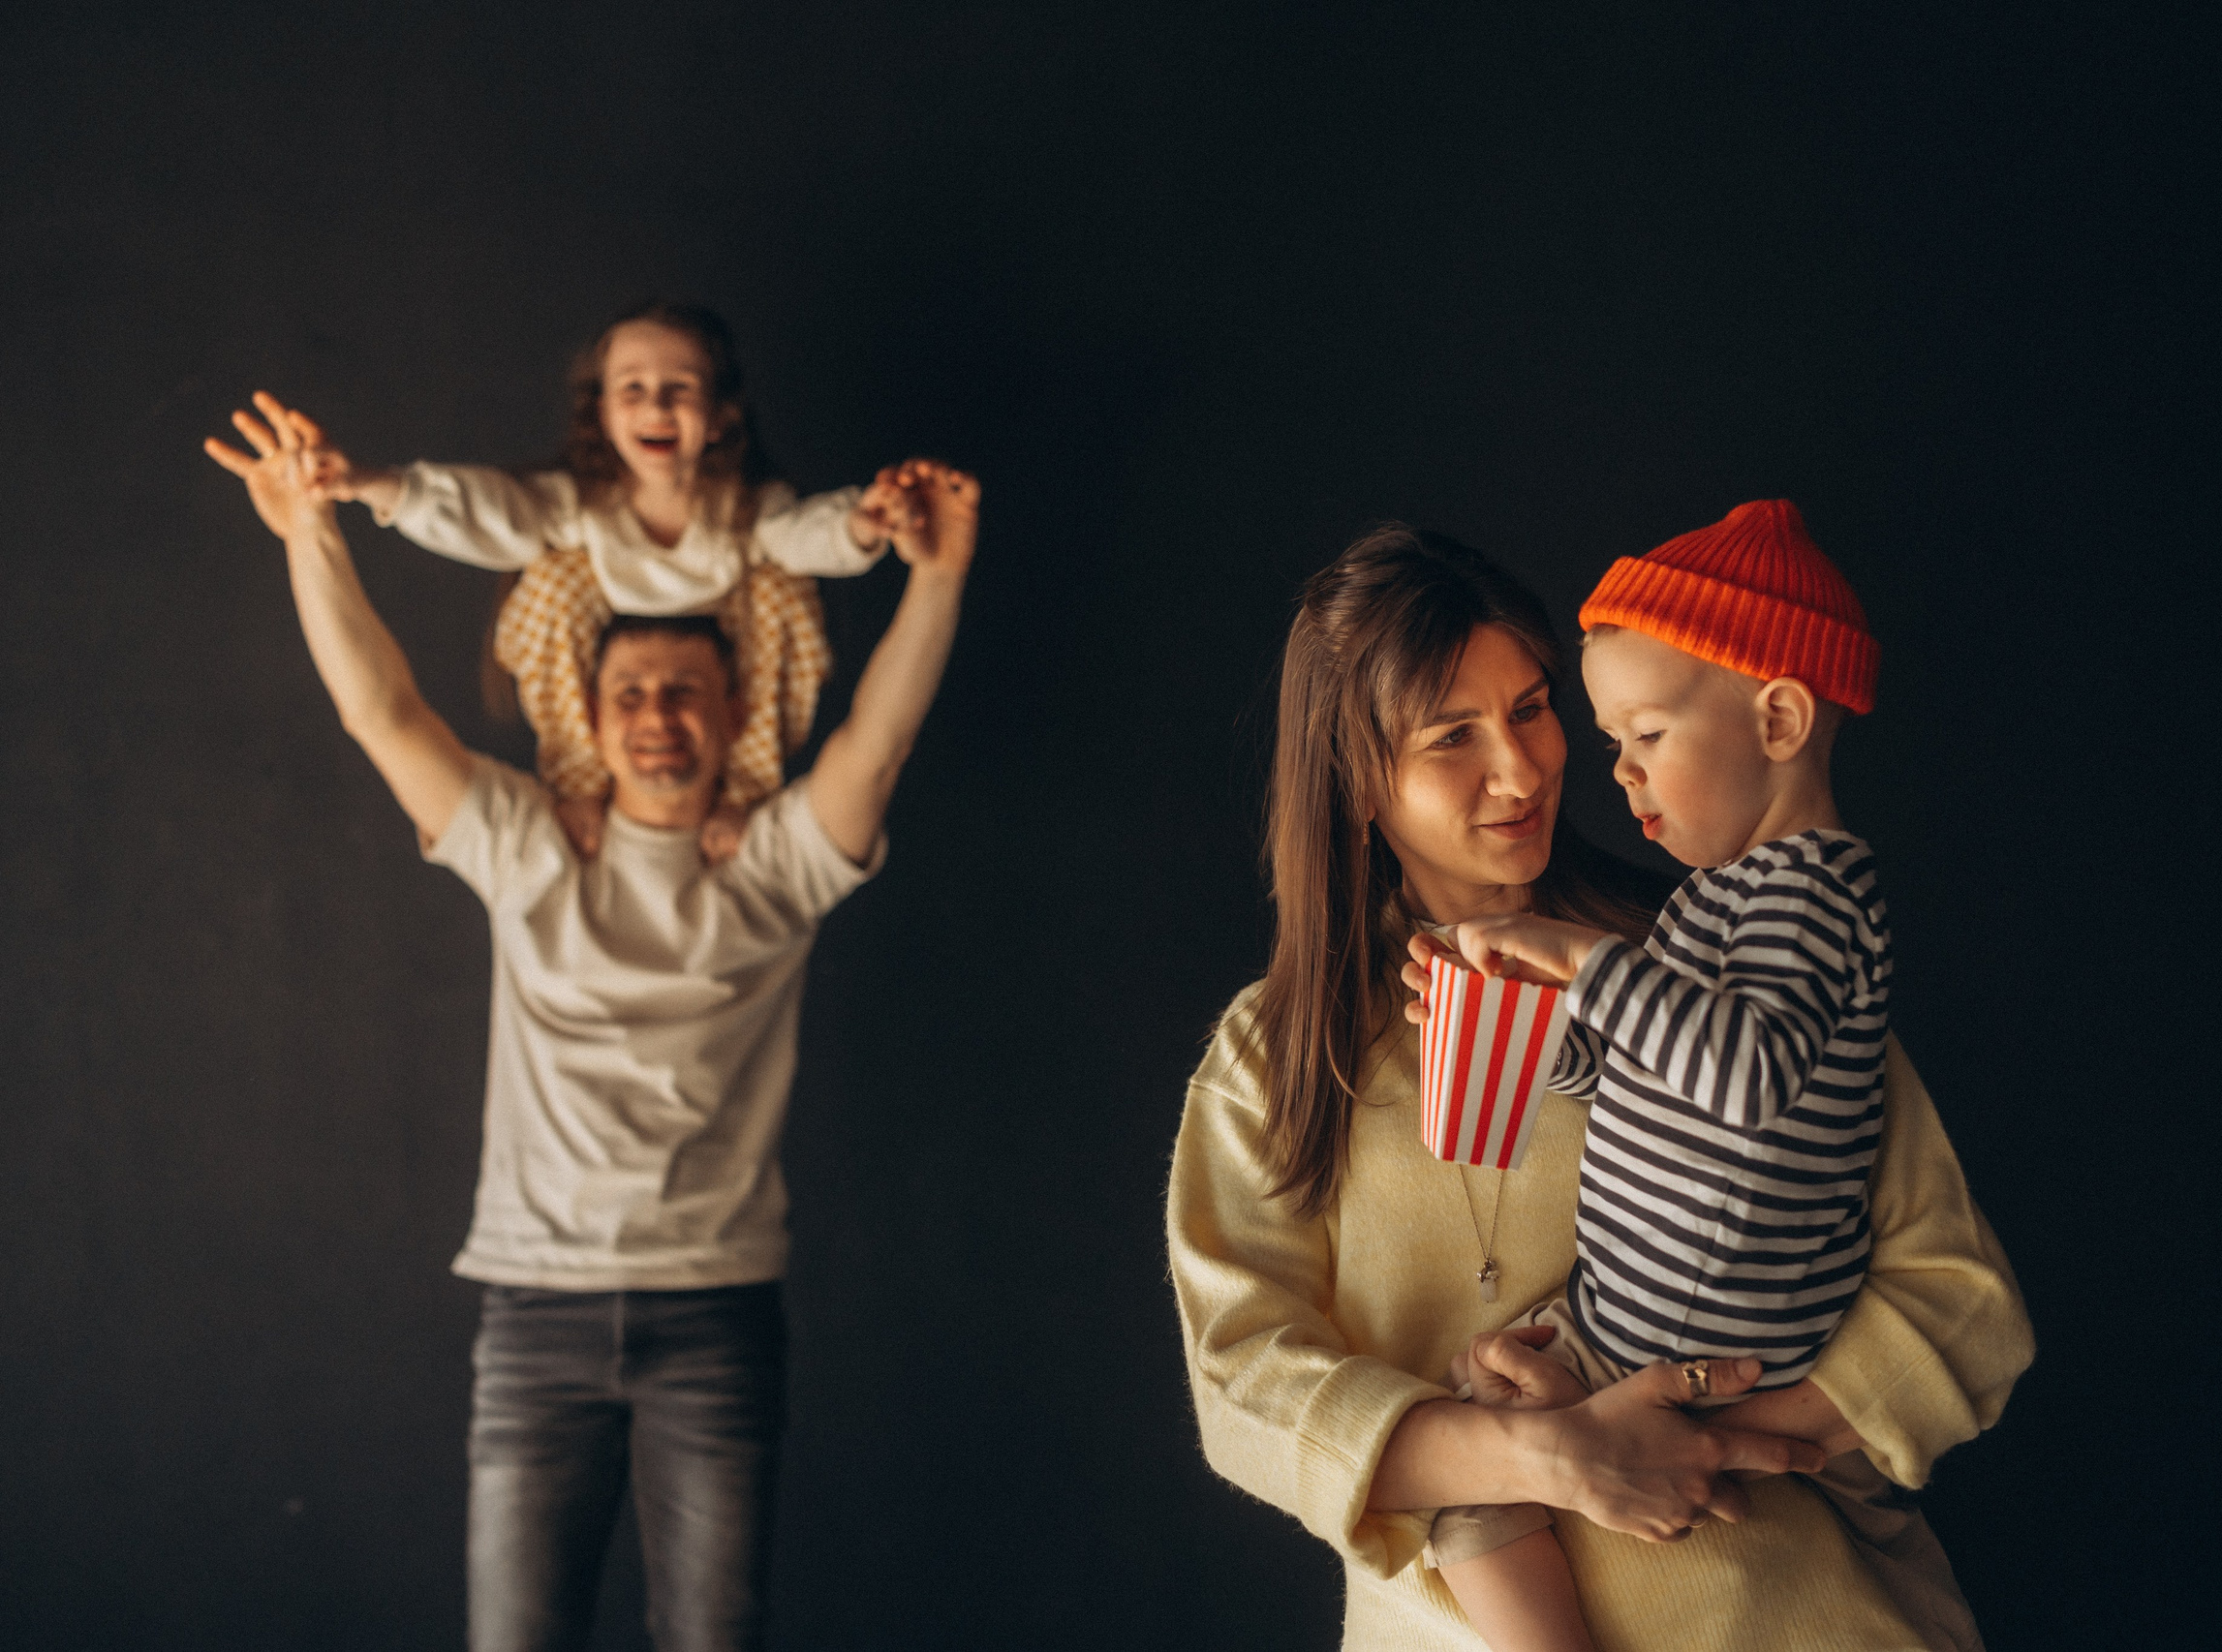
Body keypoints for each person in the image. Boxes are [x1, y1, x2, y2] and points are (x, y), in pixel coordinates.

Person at [1166, 525, 2034, 1652]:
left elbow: (1960, 1295)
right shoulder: (1272, 1060)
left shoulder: (1703, 947)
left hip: (1790, 1613)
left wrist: (1718, 1436)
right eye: (1452, 735)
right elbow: (1244, 1386)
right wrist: (1547, 1455)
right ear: (1356, 781)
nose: (1523, 770)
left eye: (1531, 708)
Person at [205, 391, 978, 1652]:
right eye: (630, 691)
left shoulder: (774, 865)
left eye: (686, 689)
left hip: (718, 1316)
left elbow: (877, 744)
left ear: (734, 718)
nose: (659, 713)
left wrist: (936, 577)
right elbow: (381, 713)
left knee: (714, 1637)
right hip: (532, 1315)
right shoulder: (527, 847)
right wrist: (310, 530)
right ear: (590, 714)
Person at [1409, 500, 1962, 1652]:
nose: (1618, 772)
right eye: (1610, 739)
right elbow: (1634, 1071)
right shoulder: (1714, 901)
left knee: (1471, 1481)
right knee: (1476, 1413)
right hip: (1639, 1314)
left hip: (1705, 1338)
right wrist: (1528, 1025)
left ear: (1776, 717)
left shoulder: (1813, 894)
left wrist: (1586, 960)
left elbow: (1749, 1074)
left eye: (1647, 734)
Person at [302, 301, 914, 863]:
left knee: (786, 588)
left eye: (679, 390)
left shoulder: (745, 509)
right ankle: (578, 780)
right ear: (602, 413)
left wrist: (865, 524)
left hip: (726, 656)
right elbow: (485, 514)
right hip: (603, 651)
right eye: (634, 389)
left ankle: (745, 792)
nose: (655, 408)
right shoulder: (585, 507)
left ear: (723, 418)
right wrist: (369, 483)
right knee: (550, 573)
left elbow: (806, 535)